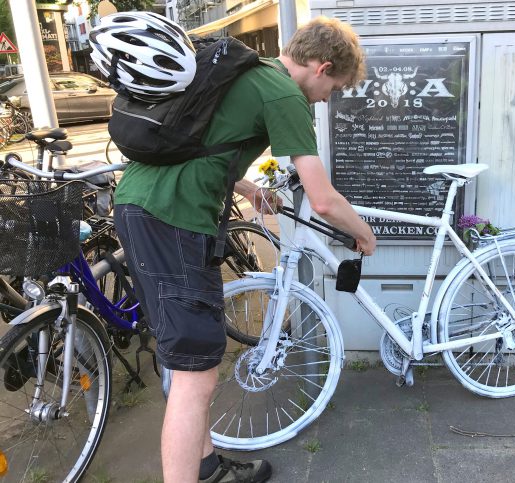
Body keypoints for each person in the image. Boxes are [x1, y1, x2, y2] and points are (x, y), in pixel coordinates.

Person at [111, 17, 376, 483]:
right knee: (196, 375)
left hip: (145, 209)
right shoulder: (282, 94)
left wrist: (247, 186)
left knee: (190, 355)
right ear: (322, 66)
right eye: (333, 87)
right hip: (173, 220)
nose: (326, 98)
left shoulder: (246, 74)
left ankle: (208, 465)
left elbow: (199, 145)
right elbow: (323, 199)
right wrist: (363, 233)